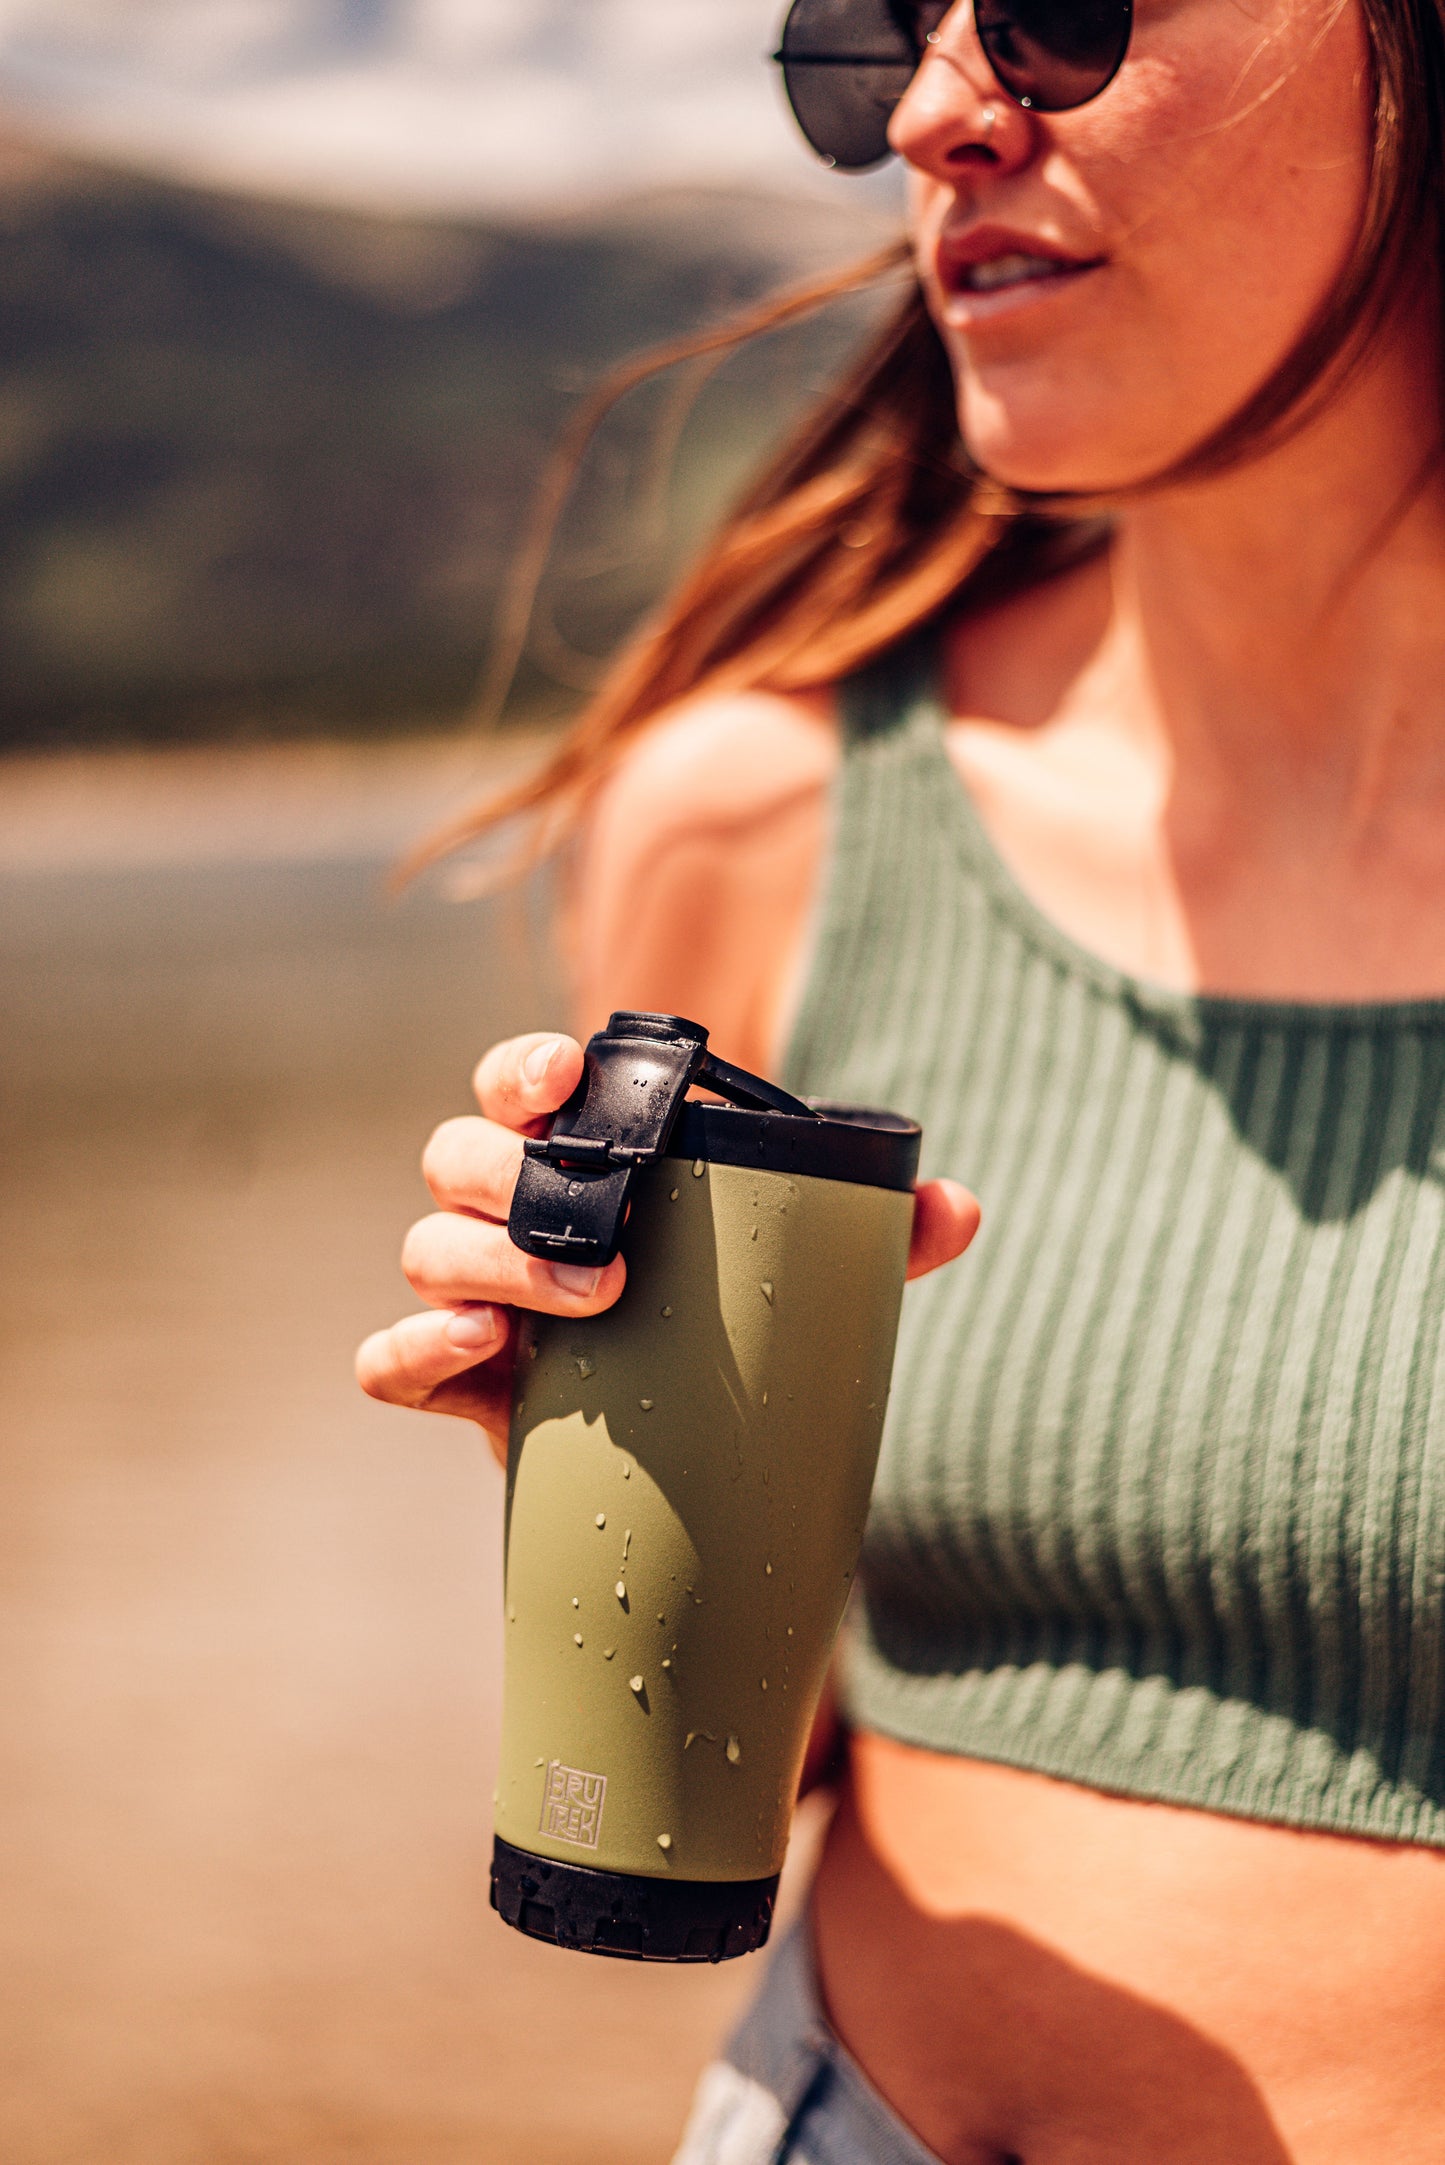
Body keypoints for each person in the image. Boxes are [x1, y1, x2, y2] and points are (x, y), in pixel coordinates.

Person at [356, 0, 1445, 2153]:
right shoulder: (750, 817)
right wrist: (583, 1453)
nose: (940, 112)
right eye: (876, 39)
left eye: (1054, 11)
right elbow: (741, 1750)